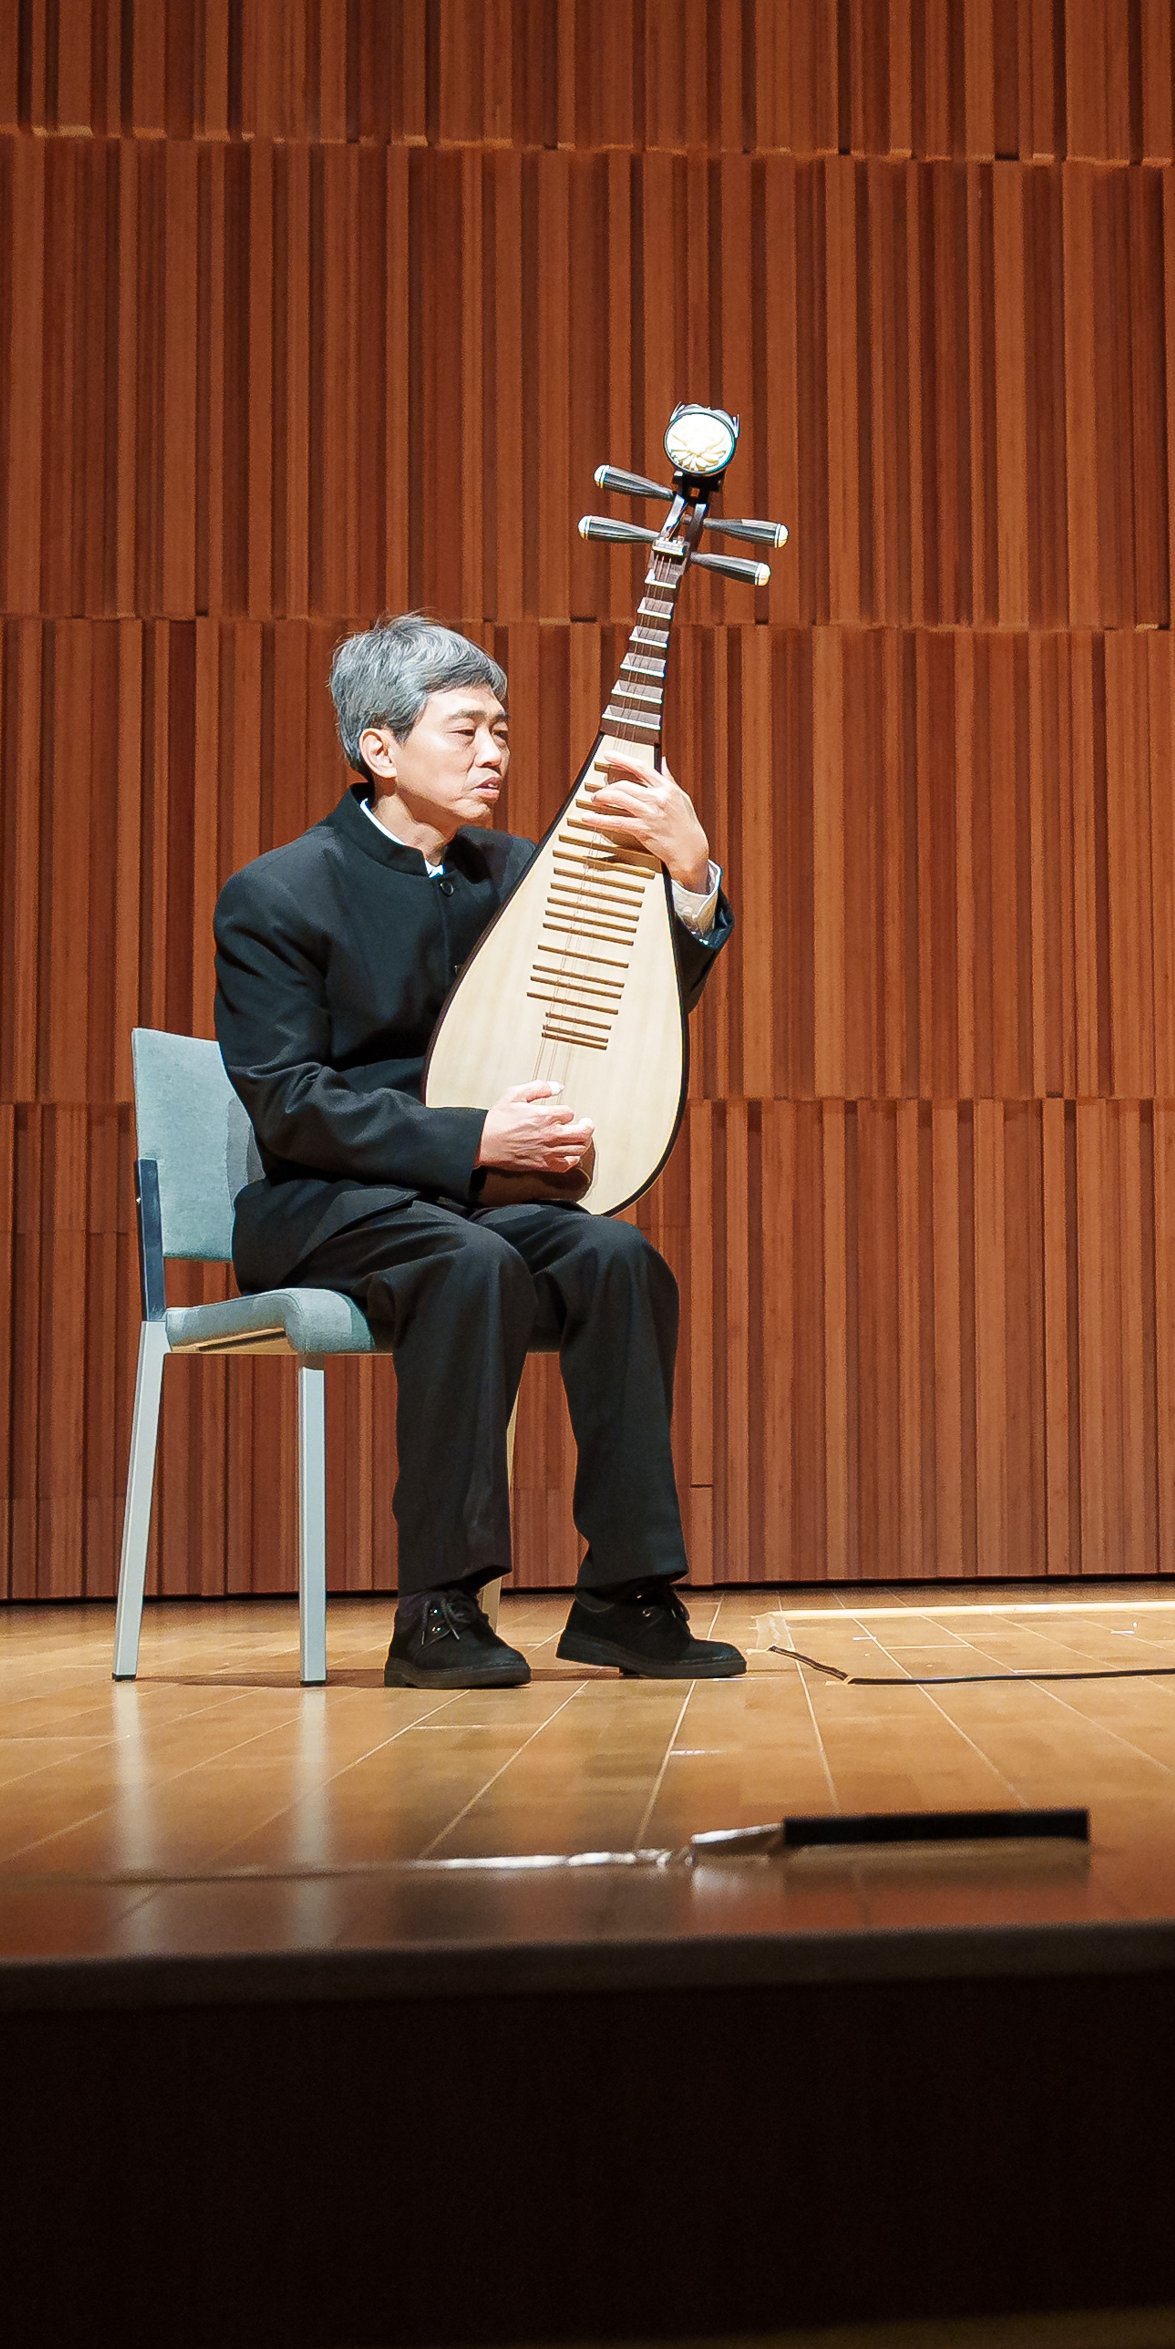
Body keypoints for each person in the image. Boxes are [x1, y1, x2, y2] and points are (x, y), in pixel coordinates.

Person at [213, 614, 747, 1688]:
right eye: (465, 731)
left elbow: (639, 1006)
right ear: (379, 748)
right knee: (475, 1266)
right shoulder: (278, 893)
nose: (495, 753)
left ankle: (627, 1596)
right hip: (329, 1201)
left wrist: (693, 870)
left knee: (617, 1259)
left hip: (475, 1204)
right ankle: (439, 1606)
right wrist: (474, 1137)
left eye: (502, 731)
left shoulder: (516, 873)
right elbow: (288, 1103)